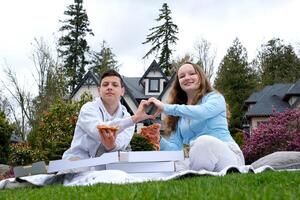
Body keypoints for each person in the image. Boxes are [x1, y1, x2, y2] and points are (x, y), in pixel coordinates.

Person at [149, 62, 245, 172]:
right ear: (178, 83)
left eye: (192, 73)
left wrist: (166, 107)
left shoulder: (215, 98)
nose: (187, 78)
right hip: (198, 159)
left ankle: (192, 174)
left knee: (202, 142)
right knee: (173, 165)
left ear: (200, 77)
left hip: (227, 155)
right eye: (182, 76)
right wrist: (157, 138)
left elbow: (201, 112)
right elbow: (175, 149)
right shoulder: (180, 116)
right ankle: (195, 176)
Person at [63, 70, 153, 161]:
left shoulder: (127, 117)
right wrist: (135, 118)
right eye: (105, 84)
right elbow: (98, 131)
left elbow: (120, 144)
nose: (109, 87)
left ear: (122, 91)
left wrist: (112, 146)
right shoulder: (88, 108)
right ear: (99, 90)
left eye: (114, 85)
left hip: (108, 163)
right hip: (77, 161)